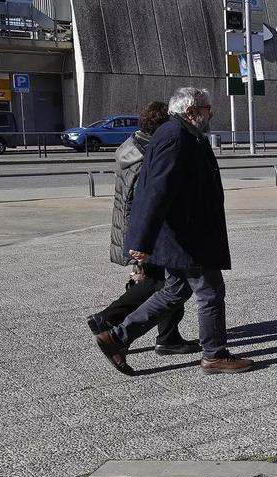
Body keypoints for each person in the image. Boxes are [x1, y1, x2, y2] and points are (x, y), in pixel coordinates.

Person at [95, 87, 251, 376]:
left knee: (173, 292)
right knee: (210, 293)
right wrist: (142, 241)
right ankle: (214, 355)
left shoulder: (183, 134)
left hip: (186, 233)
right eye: (207, 109)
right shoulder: (176, 137)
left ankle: (115, 337)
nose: (210, 114)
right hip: (188, 236)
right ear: (191, 111)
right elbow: (155, 191)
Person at [87, 101, 198, 357]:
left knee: (163, 282)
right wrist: (143, 243)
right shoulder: (151, 154)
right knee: (163, 283)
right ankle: (108, 320)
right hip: (151, 234)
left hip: (139, 232)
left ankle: (167, 336)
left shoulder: (134, 147)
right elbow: (147, 202)